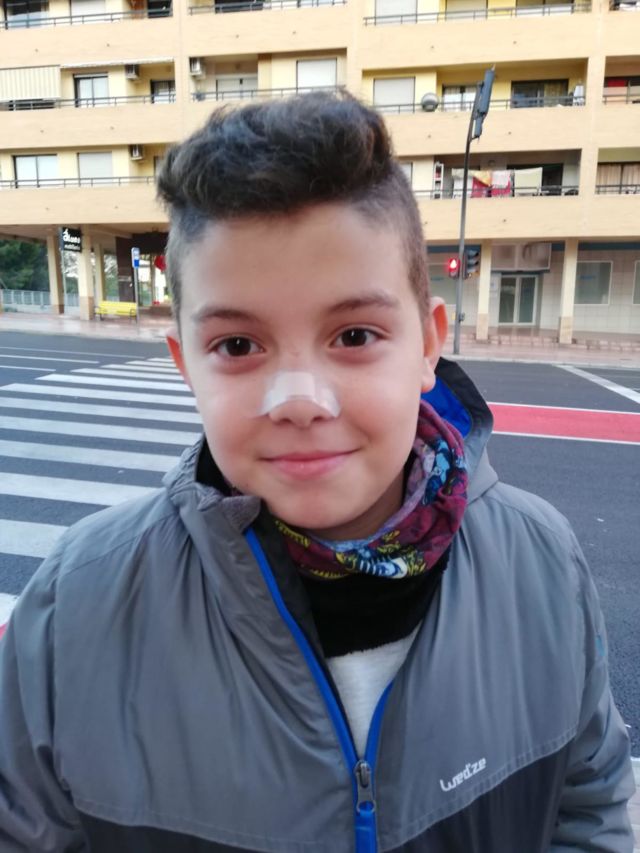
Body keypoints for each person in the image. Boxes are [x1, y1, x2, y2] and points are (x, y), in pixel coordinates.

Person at [0, 92, 635, 853]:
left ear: (427, 345)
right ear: (185, 365)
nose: (299, 400)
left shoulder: (541, 563)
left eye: (354, 335)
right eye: (238, 346)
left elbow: (588, 806)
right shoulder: (77, 605)